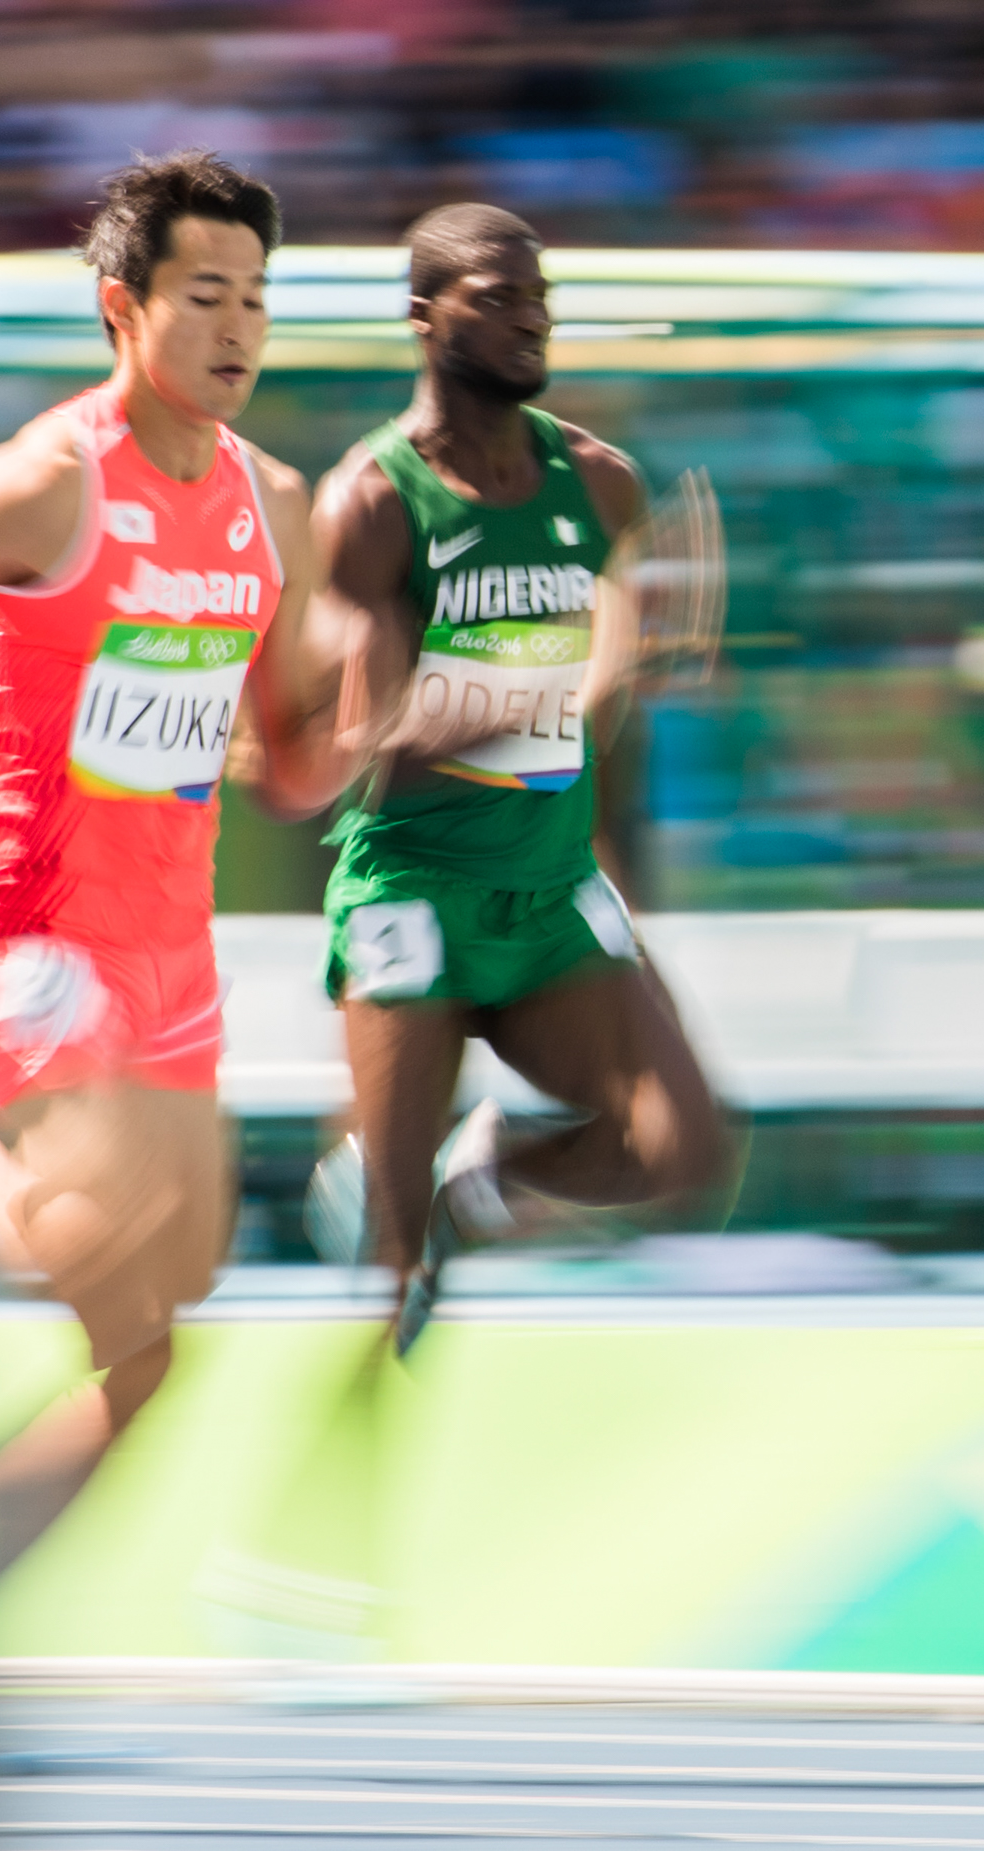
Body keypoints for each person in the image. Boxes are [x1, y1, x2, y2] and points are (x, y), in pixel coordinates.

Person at [0, 151, 350, 1571]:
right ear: (122, 310)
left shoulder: (275, 507)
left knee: (157, 1346)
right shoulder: (49, 476)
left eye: (257, 295)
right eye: (206, 294)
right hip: (19, 917)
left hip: (163, 940)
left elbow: (292, 762)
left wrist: (376, 706)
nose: (240, 326)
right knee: (82, 1220)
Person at [309, 203, 730, 1354]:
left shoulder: (600, 488)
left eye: (539, 294)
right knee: (388, 1281)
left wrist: (619, 872)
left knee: (684, 1153)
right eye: (496, 295)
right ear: (423, 318)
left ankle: (480, 1182)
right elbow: (372, 752)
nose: (529, 316)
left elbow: (611, 728)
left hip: (547, 892)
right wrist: (555, 690)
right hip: (416, 885)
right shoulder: (373, 503)